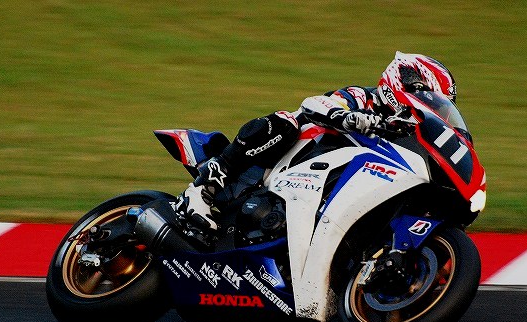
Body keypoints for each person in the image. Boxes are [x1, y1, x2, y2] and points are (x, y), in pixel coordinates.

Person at [174, 51, 458, 233]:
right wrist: (346, 117)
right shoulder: (363, 97)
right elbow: (314, 103)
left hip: (324, 189)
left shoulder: (402, 132)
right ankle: (205, 187)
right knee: (286, 122)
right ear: (405, 81)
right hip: (279, 163)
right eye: (428, 98)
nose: (431, 109)